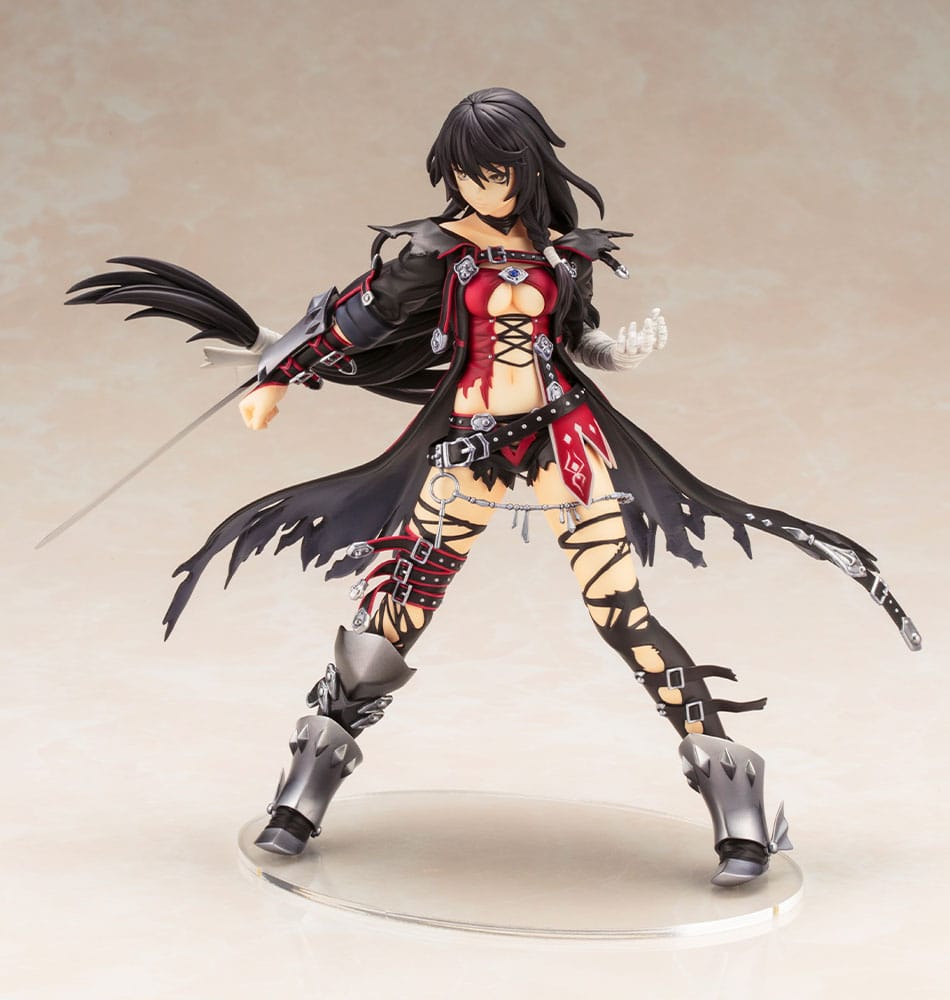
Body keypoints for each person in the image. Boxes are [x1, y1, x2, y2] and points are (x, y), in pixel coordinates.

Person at [69, 88, 919, 886]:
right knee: (394, 613)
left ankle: (736, 802)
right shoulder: (436, 252)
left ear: (528, 169)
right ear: (451, 170)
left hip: (564, 437)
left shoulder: (559, 255)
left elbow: (572, 339)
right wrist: (279, 375)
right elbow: (359, 316)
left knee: (621, 610)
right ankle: (301, 795)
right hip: (471, 444)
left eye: (501, 170)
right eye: (471, 170)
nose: (486, 185)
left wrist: (614, 353)